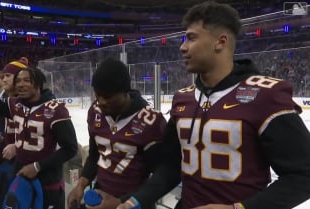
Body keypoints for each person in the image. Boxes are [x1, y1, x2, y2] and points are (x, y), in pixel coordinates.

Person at [117, 2, 310, 209]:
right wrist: (134, 201)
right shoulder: (183, 99)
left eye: (191, 38)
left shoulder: (266, 95)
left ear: (221, 41)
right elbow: (172, 166)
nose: (182, 47)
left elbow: (303, 175)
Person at [0, 55, 78, 209]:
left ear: (38, 84)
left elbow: (70, 148)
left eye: (26, 80)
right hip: (20, 178)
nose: (20, 84)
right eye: (18, 80)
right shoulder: (15, 105)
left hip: (48, 184)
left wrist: (37, 166)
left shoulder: (56, 110)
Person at [67, 58, 176, 209]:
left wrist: (122, 202)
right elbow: (94, 157)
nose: (101, 101)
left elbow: (159, 177)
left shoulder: (151, 121)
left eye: (107, 96)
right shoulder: (95, 112)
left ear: (125, 91)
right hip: (99, 199)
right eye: (97, 95)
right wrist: (80, 185)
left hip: (134, 203)